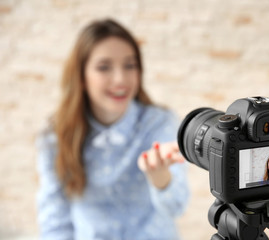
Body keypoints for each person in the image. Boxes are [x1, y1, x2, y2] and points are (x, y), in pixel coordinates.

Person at [36, 18, 189, 240]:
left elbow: (176, 207)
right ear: (81, 77)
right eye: (104, 67)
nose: (120, 79)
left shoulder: (159, 123)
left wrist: (160, 178)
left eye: (129, 65)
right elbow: (55, 222)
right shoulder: (55, 137)